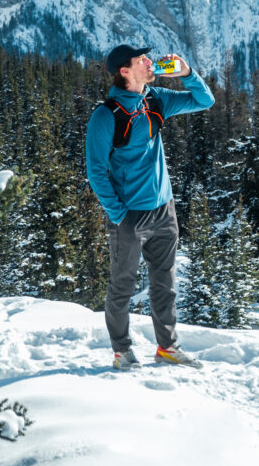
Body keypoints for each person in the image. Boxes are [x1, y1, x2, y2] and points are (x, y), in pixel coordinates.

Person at [85, 44, 215, 370]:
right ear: (125, 72)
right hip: (130, 217)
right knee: (122, 287)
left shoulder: (154, 99)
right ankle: (121, 351)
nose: (148, 61)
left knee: (165, 285)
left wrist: (186, 73)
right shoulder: (105, 116)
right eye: (140, 60)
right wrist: (119, 215)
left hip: (164, 210)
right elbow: (96, 171)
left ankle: (167, 348)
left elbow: (204, 101)